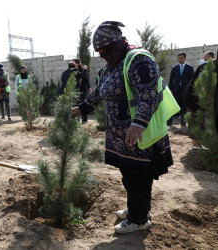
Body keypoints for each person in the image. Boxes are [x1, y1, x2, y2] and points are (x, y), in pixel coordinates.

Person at [74, 21, 176, 234]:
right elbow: (99, 92)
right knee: (129, 174)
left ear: (117, 44)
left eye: (105, 50)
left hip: (140, 133)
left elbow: (149, 92)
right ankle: (137, 209)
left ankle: (139, 219)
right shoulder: (112, 66)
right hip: (121, 137)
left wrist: (138, 124)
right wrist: (82, 108)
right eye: (99, 52)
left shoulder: (139, 60)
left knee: (138, 175)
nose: (102, 55)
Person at [184, 51, 216, 149]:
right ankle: (195, 144)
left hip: (204, 99)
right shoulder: (204, 68)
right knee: (195, 120)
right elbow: (201, 87)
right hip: (193, 98)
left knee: (202, 120)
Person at [168, 52, 194, 126]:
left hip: (185, 90)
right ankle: (169, 122)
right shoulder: (174, 68)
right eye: (178, 58)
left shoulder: (190, 68)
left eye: (181, 58)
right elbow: (171, 79)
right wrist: (170, 89)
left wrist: (190, 90)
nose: (180, 59)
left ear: (185, 58)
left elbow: (192, 79)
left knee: (184, 106)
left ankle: (183, 122)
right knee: (173, 105)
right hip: (176, 90)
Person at [73, 58, 91, 123]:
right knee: (76, 104)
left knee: (82, 104)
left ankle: (84, 119)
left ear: (76, 63)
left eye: (74, 63)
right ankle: (77, 119)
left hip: (82, 89)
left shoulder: (82, 70)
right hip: (75, 90)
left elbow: (85, 79)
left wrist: (89, 87)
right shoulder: (74, 70)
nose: (74, 64)